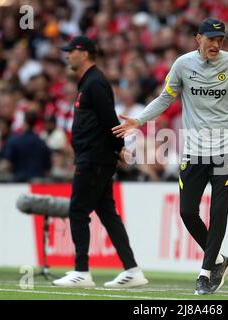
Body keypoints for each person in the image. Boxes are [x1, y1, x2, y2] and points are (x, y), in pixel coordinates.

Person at [112, 18, 228, 295]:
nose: (216, 44)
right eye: (211, 38)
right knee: (187, 212)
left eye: (220, 39)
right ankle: (220, 261)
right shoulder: (182, 65)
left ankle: (205, 272)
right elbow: (165, 98)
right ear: (197, 38)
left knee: (218, 211)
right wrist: (139, 121)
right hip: (194, 150)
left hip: (226, 149)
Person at [53, 36, 148, 288]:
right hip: (95, 157)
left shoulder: (94, 82)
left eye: (71, 51)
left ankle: (81, 271)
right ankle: (132, 269)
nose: (67, 55)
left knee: (78, 209)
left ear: (84, 53)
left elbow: (109, 120)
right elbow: (105, 120)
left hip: (94, 158)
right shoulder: (90, 81)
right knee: (106, 212)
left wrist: (118, 150)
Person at [0, 110, 51, 182]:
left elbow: (6, 163)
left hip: (18, 182)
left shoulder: (14, 141)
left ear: (24, 122)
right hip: (36, 183)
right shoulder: (42, 143)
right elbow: (47, 169)